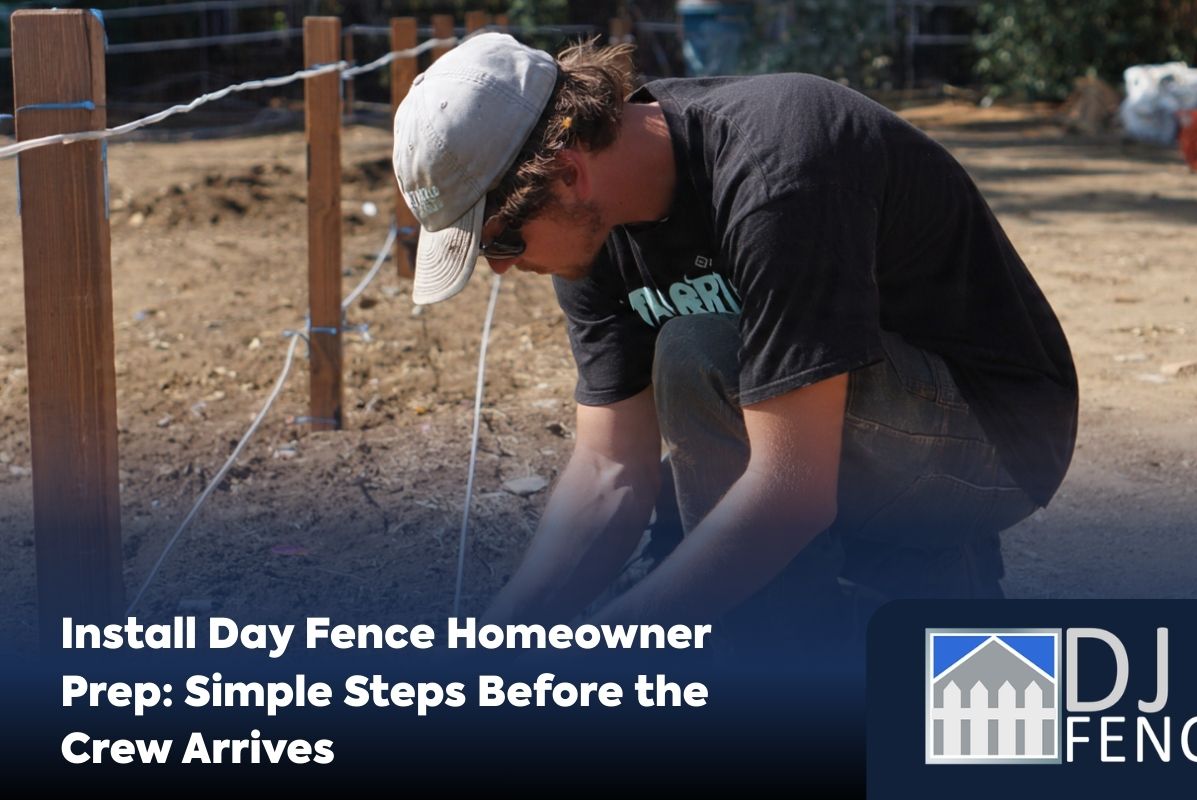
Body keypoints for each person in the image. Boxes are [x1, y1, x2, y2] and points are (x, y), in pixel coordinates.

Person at [392, 33, 1078, 651]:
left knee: (699, 355)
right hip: (873, 430)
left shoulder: (777, 167)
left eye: (502, 241)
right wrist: (494, 643)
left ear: (568, 173)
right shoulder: (591, 230)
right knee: (679, 485)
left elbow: (790, 492)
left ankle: (801, 652)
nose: (504, 267)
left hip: (998, 439)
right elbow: (609, 472)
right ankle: (884, 596)